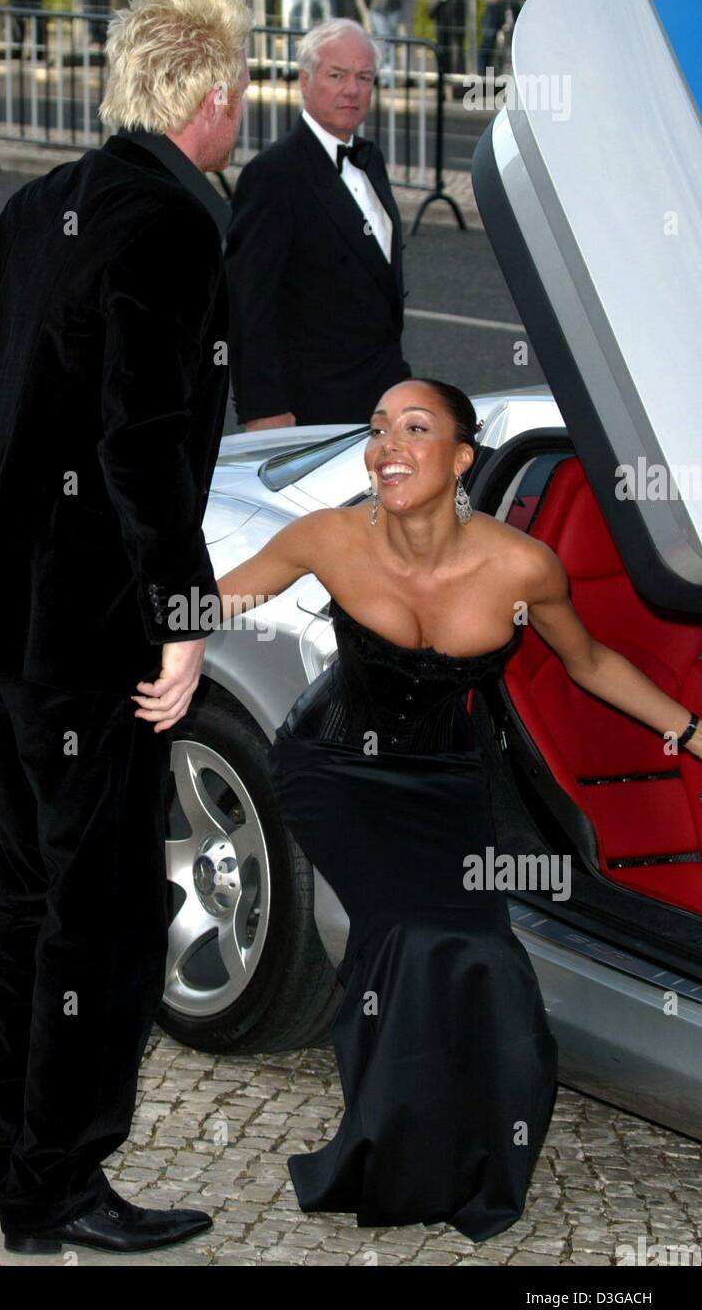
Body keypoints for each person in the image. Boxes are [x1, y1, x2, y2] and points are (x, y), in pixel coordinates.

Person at [0, 0, 252, 1256]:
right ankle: (57, 1181)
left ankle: (13, 1148)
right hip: (77, 622)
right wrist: (183, 620)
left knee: (35, 882)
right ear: (205, 99)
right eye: (240, 88)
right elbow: (138, 443)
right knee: (105, 910)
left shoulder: (39, 203)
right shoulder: (172, 226)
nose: (242, 109)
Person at [171, 377, 702, 1240]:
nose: (387, 446)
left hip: (443, 781)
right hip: (334, 768)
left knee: (484, 955)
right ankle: (386, 1156)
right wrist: (163, 641)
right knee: (409, 940)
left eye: (414, 429)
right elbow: (213, 601)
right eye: (378, 428)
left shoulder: (520, 565)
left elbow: (591, 663)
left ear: (461, 458)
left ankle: (475, 1160)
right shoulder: (329, 538)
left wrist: (689, 731)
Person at [226, 17, 411, 430]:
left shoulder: (370, 159)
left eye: (364, 77)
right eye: (337, 75)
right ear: (304, 81)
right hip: (311, 410)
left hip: (383, 398)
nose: (352, 89)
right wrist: (263, 409)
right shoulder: (273, 175)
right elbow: (249, 304)